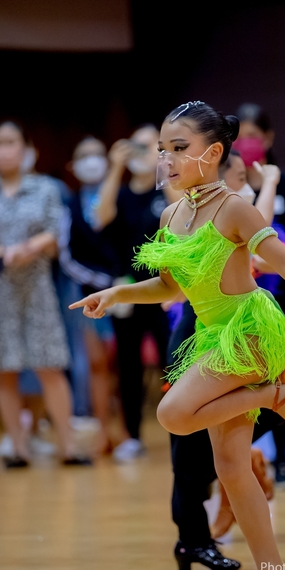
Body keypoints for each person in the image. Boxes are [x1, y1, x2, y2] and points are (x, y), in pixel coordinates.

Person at [70, 101, 285, 570]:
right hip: (210, 339)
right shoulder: (172, 215)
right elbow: (170, 286)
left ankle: (274, 393)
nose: (166, 158)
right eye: (164, 149)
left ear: (213, 153)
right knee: (231, 469)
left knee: (172, 414)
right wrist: (116, 294)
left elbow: (282, 259)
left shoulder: (233, 208)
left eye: (179, 148)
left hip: (249, 334)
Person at [168, 149, 279, 570]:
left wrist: (267, 186)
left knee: (226, 456)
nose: (244, 185)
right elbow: (168, 286)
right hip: (198, 331)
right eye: (240, 177)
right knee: (187, 446)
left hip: (242, 328)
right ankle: (192, 538)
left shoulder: (233, 209)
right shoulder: (184, 212)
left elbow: (267, 244)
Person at [0, 121, 91, 467]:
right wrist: (4, 253)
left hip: (36, 287)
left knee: (50, 364)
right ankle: (18, 449)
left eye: (11, 142)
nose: (4, 149)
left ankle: (69, 446)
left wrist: (29, 248)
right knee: (4, 368)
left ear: (25, 149)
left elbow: (55, 229)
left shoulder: (45, 188)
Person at [234, 103, 285, 488]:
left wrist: (270, 254)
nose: (245, 143)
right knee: (241, 379)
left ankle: (281, 460)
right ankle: (239, 458)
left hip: (277, 296)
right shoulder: (228, 186)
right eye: (239, 136)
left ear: (268, 138)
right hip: (235, 298)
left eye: (252, 136)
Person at [94, 125, 178, 462]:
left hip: (166, 289)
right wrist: (115, 167)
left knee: (172, 357)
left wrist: (164, 171)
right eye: (137, 146)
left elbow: (181, 218)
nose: (143, 153)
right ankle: (132, 435)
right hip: (128, 291)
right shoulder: (121, 192)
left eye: (151, 147)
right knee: (128, 364)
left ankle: (182, 428)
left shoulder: (164, 193)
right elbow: (101, 217)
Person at [59, 136, 129, 454]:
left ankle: (128, 430)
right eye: (84, 155)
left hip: (128, 290)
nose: (91, 161)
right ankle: (103, 431)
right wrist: (102, 282)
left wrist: (121, 283)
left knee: (125, 364)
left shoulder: (123, 197)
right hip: (90, 292)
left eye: (97, 154)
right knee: (98, 364)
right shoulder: (69, 205)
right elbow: (67, 255)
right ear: (72, 166)